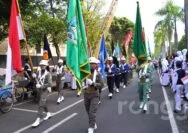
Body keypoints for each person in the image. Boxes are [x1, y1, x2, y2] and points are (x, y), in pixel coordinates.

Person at [84, 57, 104, 133]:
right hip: (86, 94)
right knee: (88, 111)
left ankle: (91, 127)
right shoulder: (85, 73)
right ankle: (93, 122)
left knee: (92, 112)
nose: (91, 65)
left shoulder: (98, 74)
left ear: (96, 65)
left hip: (94, 95)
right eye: (90, 64)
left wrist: (93, 83)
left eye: (92, 63)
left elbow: (102, 84)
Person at [32, 60, 52, 127]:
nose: (42, 66)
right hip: (39, 90)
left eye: (43, 65)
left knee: (41, 104)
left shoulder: (48, 74)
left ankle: (38, 119)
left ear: (46, 66)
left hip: (44, 90)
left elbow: (50, 84)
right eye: (41, 65)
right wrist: (33, 76)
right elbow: (35, 80)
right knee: (44, 103)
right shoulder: (38, 72)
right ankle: (48, 113)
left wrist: (41, 86)